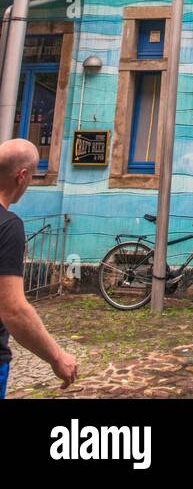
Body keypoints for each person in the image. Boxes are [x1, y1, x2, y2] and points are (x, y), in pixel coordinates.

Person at [0, 139, 77, 399]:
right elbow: (12, 309)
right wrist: (57, 356)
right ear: (22, 176)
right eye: (32, 175)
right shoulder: (8, 227)